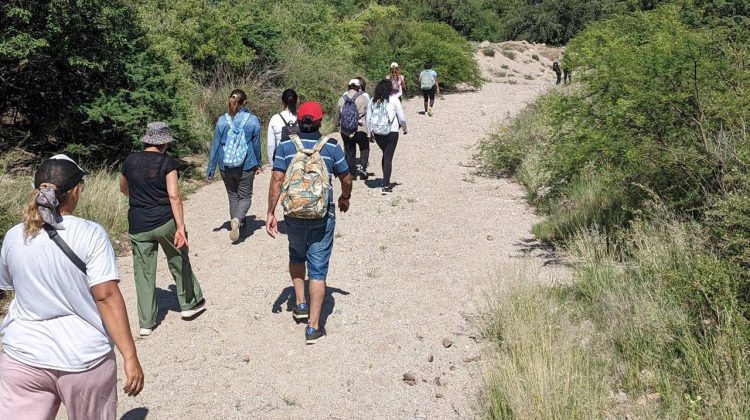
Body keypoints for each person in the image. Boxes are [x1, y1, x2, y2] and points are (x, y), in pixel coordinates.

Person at [0, 155, 144, 419]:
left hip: (22, 357)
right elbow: (106, 298)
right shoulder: (91, 233)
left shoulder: (14, 235)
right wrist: (130, 355)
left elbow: (10, 286)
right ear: (76, 191)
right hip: (83, 359)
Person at [266, 101, 353, 344]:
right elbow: (346, 178)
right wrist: (345, 198)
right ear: (319, 122)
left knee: (296, 256)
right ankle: (313, 327)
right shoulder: (332, 146)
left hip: (293, 215)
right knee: (318, 269)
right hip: (321, 215)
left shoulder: (285, 146)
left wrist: (270, 212)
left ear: (298, 122)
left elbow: (276, 180)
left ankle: (300, 303)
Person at [121, 122, 206, 337]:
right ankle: (188, 305)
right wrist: (180, 227)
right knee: (178, 259)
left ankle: (146, 322)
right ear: (165, 142)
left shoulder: (130, 161)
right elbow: (174, 196)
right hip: (164, 220)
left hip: (138, 222)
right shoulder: (167, 163)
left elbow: (123, 188)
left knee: (143, 271)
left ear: (147, 140)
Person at [206, 89, 262, 242]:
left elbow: (215, 145)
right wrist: (259, 163)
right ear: (245, 102)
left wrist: (211, 168)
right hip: (246, 164)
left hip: (225, 165)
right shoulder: (252, 120)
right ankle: (237, 220)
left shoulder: (222, 121)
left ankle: (237, 226)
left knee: (233, 196)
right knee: (245, 197)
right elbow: (256, 145)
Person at [367, 80, 407, 194]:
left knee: (385, 154)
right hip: (392, 132)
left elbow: (368, 118)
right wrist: (404, 129)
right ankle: (386, 185)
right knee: (388, 156)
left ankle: (385, 179)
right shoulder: (394, 100)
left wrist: (369, 133)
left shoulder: (373, 100)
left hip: (378, 132)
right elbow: (402, 118)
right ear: (389, 88)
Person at [333, 78, 370, 180]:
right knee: (364, 147)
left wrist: (337, 125)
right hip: (360, 128)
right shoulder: (363, 98)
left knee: (349, 151)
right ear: (358, 87)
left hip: (346, 130)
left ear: (348, 87)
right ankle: (363, 168)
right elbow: (369, 114)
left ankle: (352, 174)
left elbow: (337, 115)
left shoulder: (342, 99)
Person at [267, 89, 298, 163]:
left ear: (282, 101)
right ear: (297, 100)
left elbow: (271, 146)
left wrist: (272, 164)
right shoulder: (301, 118)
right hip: (298, 160)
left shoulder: (275, 118)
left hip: (281, 159)